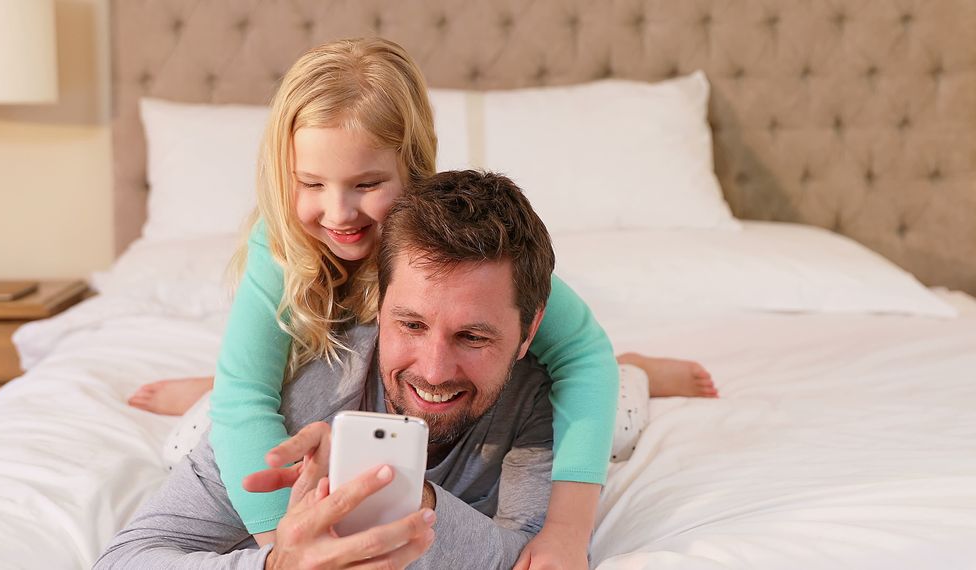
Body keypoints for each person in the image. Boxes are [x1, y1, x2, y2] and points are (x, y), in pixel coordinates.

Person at [126, 38, 717, 568]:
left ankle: (634, 370)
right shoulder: (282, 247)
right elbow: (244, 400)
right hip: (315, 356)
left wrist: (567, 529)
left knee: (604, 405)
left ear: (412, 171)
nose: (339, 214)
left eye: (366, 184)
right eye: (311, 184)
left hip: (526, 362)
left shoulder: (460, 255)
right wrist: (287, 544)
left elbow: (582, 353)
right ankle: (205, 383)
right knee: (233, 402)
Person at [99, 171, 580, 568]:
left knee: (625, 392)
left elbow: (536, 555)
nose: (434, 370)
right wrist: (274, 565)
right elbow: (123, 560)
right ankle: (207, 389)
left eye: (473, 337)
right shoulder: (300, 402)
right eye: (410, 324)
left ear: (529, 331)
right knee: (204, 419)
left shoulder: (545, 400)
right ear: (378, 305)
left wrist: (418, 501)